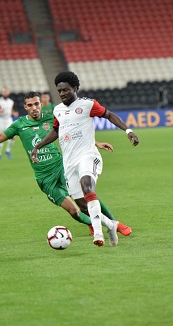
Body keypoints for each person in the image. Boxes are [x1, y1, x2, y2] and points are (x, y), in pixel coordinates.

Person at [0, 91, 132, 238]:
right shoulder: (19, 124)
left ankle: (115, 223)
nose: (34, 108)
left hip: (61, 167)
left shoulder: (52, 117)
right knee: (74, 211)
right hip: (44, 178)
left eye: (36, 104)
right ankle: (91, 222)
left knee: (86, 194)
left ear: (41, 104)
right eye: (30, 105)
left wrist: (96, 143)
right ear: (25, 107)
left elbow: (71, 132)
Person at [30, 71, 139, 247]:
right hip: (69, 162)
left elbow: (109, 115)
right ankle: (111, 225)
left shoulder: (88, 105)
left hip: (88, 155)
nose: (62, 93)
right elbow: (56, 132)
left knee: (88, 186)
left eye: (65, 90)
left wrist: (128, 131)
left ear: (75, 88)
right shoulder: (58, 110)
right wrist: (38, 146)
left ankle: (98, 234)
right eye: (60, 91)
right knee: (82, 204)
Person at [0, 87, 17, 160]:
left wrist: (14, 112)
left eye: (6, 91)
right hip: (0, 119)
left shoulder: (11, 101)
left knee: (13, 135)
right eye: (4, 92)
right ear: (2, 93)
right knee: (0, 137)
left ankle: (8, 150)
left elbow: (11, 109)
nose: (5, 93)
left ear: (9, 92)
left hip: (8, 120)